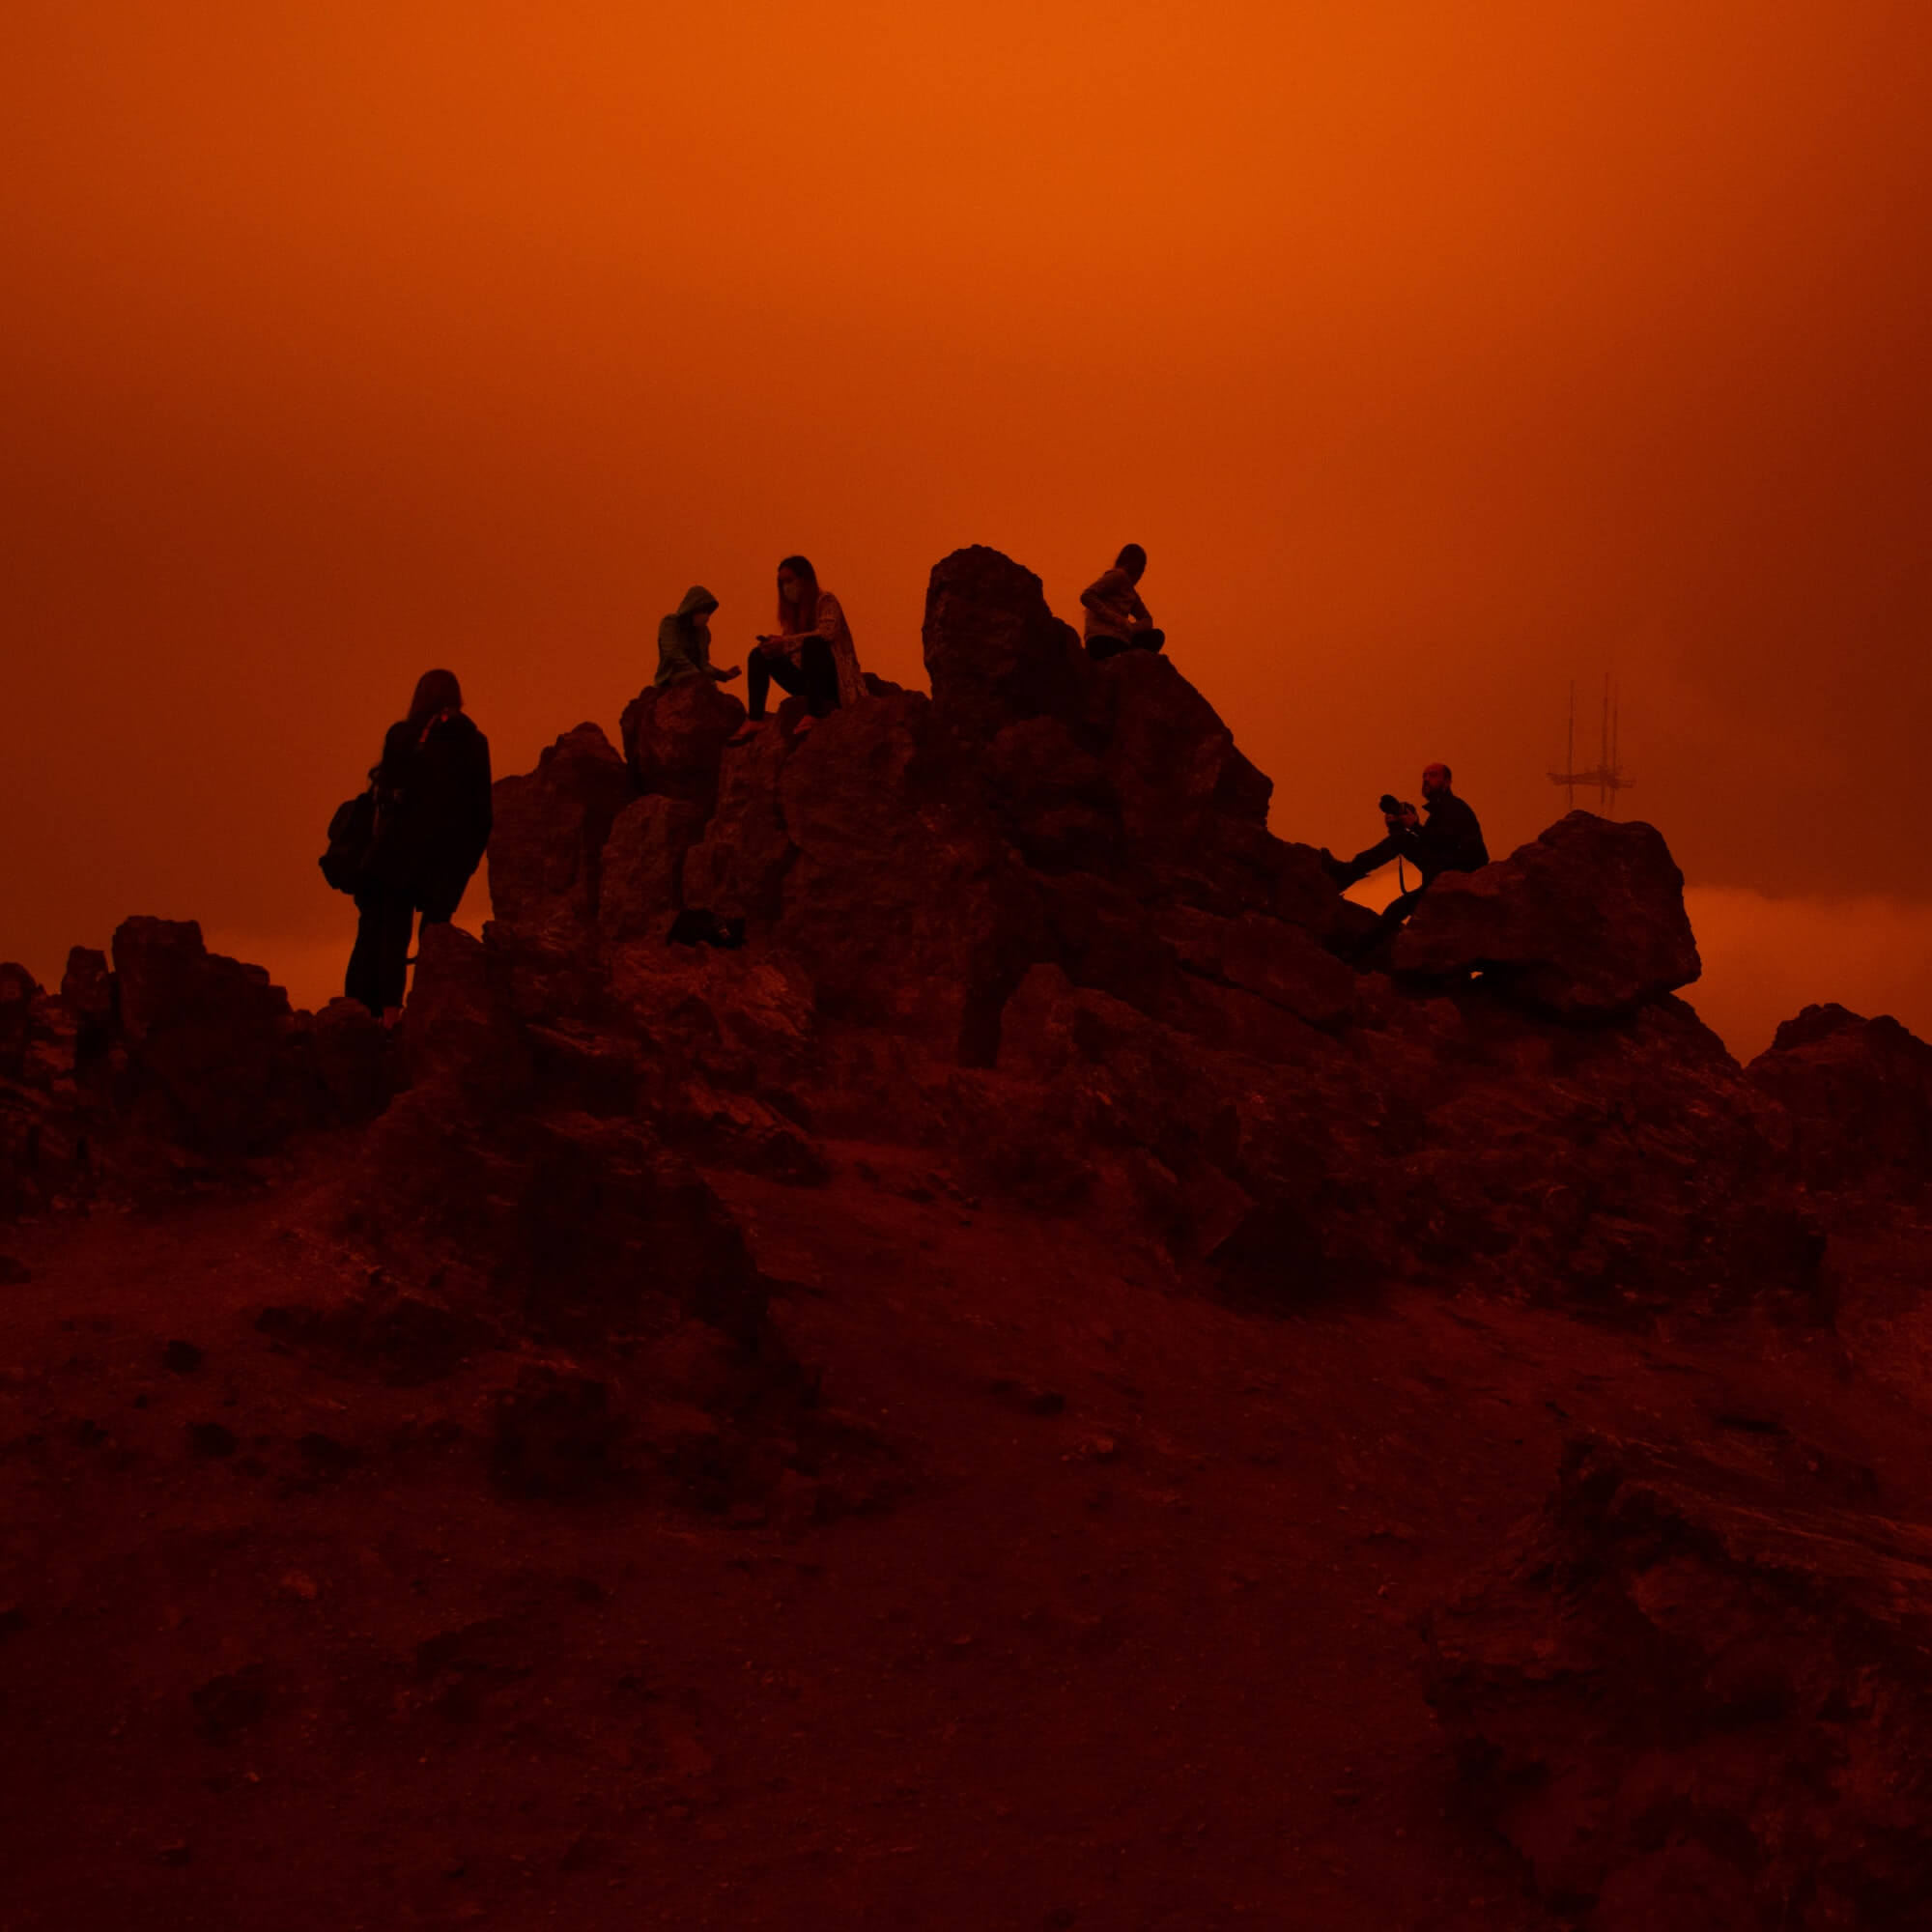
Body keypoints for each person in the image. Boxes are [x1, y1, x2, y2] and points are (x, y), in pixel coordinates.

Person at [345, 669, 493, 1021]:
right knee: (436, 934)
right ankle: (428, 1008)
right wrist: (469, 858)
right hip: (450, 855)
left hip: (399, 851)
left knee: (392, 936)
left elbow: (385, 794)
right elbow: (482, 808)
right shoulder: (474, 741)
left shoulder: (401, 736)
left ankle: (389, 1017)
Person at [1321, 763, 1489, 946]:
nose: (1426, 780)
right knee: (1396, 909)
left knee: (1396, 908)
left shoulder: (1455, 807)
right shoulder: (1439, 812)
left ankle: (1346, 875)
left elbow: (1444, 843)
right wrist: (1397, 827)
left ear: (1447, 782)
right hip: (1440, 877)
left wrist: (1414, 827)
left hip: (1454, 876)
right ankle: (1359, 949)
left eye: (1432, 775)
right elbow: (1431, 844)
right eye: (1424, 776)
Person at [739, 555, 865, 733]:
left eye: (790, 581)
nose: (785, 587)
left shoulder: (826, 601)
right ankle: (755, 718)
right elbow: (791, 652)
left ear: (804, 580)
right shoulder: (792, 615)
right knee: (759, 654)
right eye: (781, 583)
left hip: (832, 681)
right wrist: (774, 647)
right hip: (805, 680)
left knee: (813, 644)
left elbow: (827, 632)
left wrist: (785, 642)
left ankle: (814, 714)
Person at [1080, 543, 1165, 660]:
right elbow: (1087, 596)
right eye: (1141, 569)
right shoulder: (1119, 576)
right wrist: (1114, 618)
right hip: (1102, 638)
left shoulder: (1131, 591)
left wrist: (1130, 628)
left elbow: (1147, 620)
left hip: (1120, 639)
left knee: (1156, 636)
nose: (1140, 575)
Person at [654, 585, 741, 688]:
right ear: (692, 608)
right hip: (671, 677)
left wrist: (723, 675)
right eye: (703, 610)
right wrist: (693, 671)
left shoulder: (703, 633)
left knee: (710, 685)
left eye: (709, 612)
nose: (707, 616)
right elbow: (671, 652)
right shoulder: (671, 623)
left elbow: (703, 664)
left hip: (696, 676)